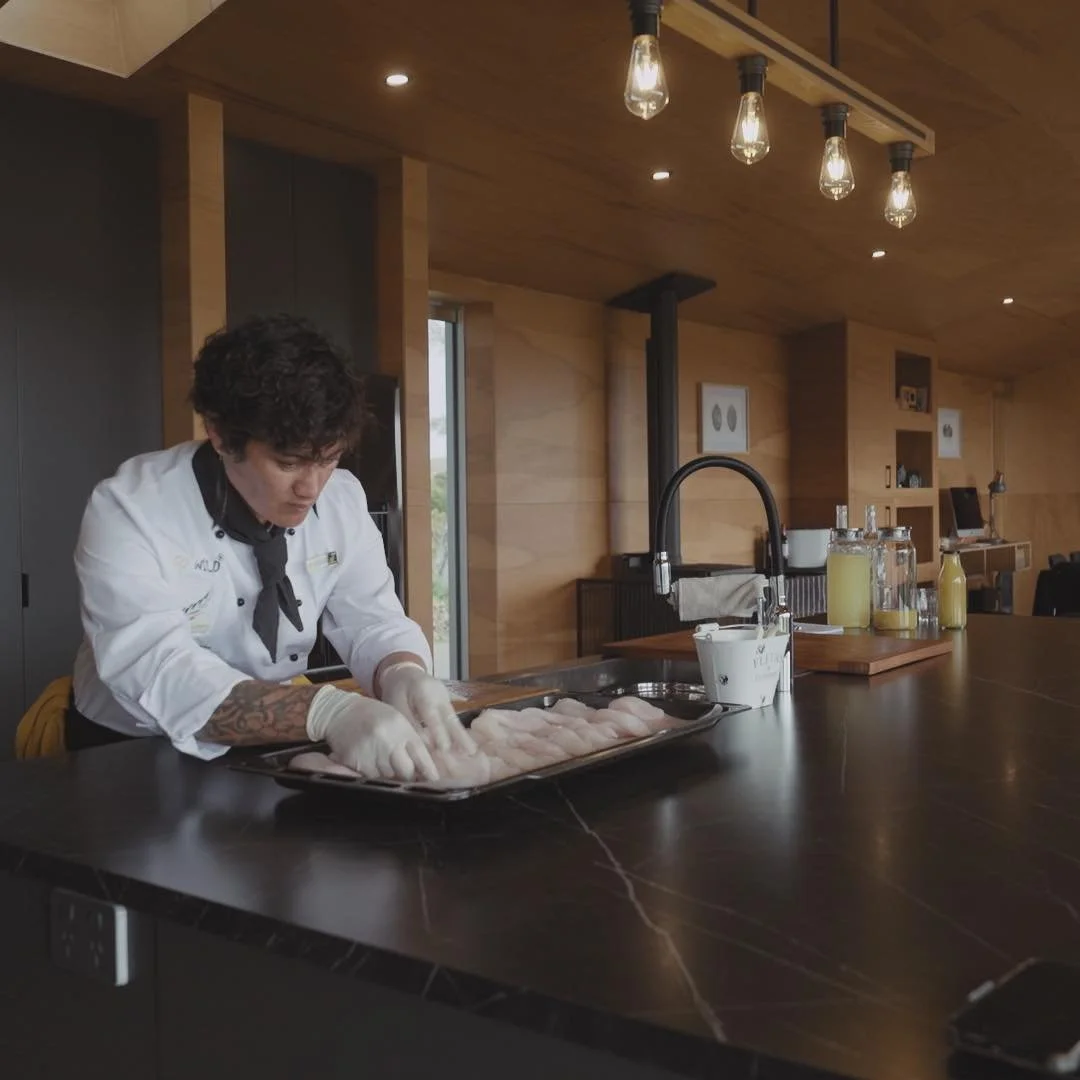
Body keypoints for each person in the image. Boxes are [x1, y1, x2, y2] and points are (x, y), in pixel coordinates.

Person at [70, 314, 474, 780]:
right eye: (288, 463)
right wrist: (327, 712)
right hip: (129, 751)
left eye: (329, 459)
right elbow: (157, 669)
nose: (312, 487)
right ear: (220, 433)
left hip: (269, 737)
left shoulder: (342, 499)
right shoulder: (131, 508)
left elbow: (372, 618)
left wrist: (401, 671)